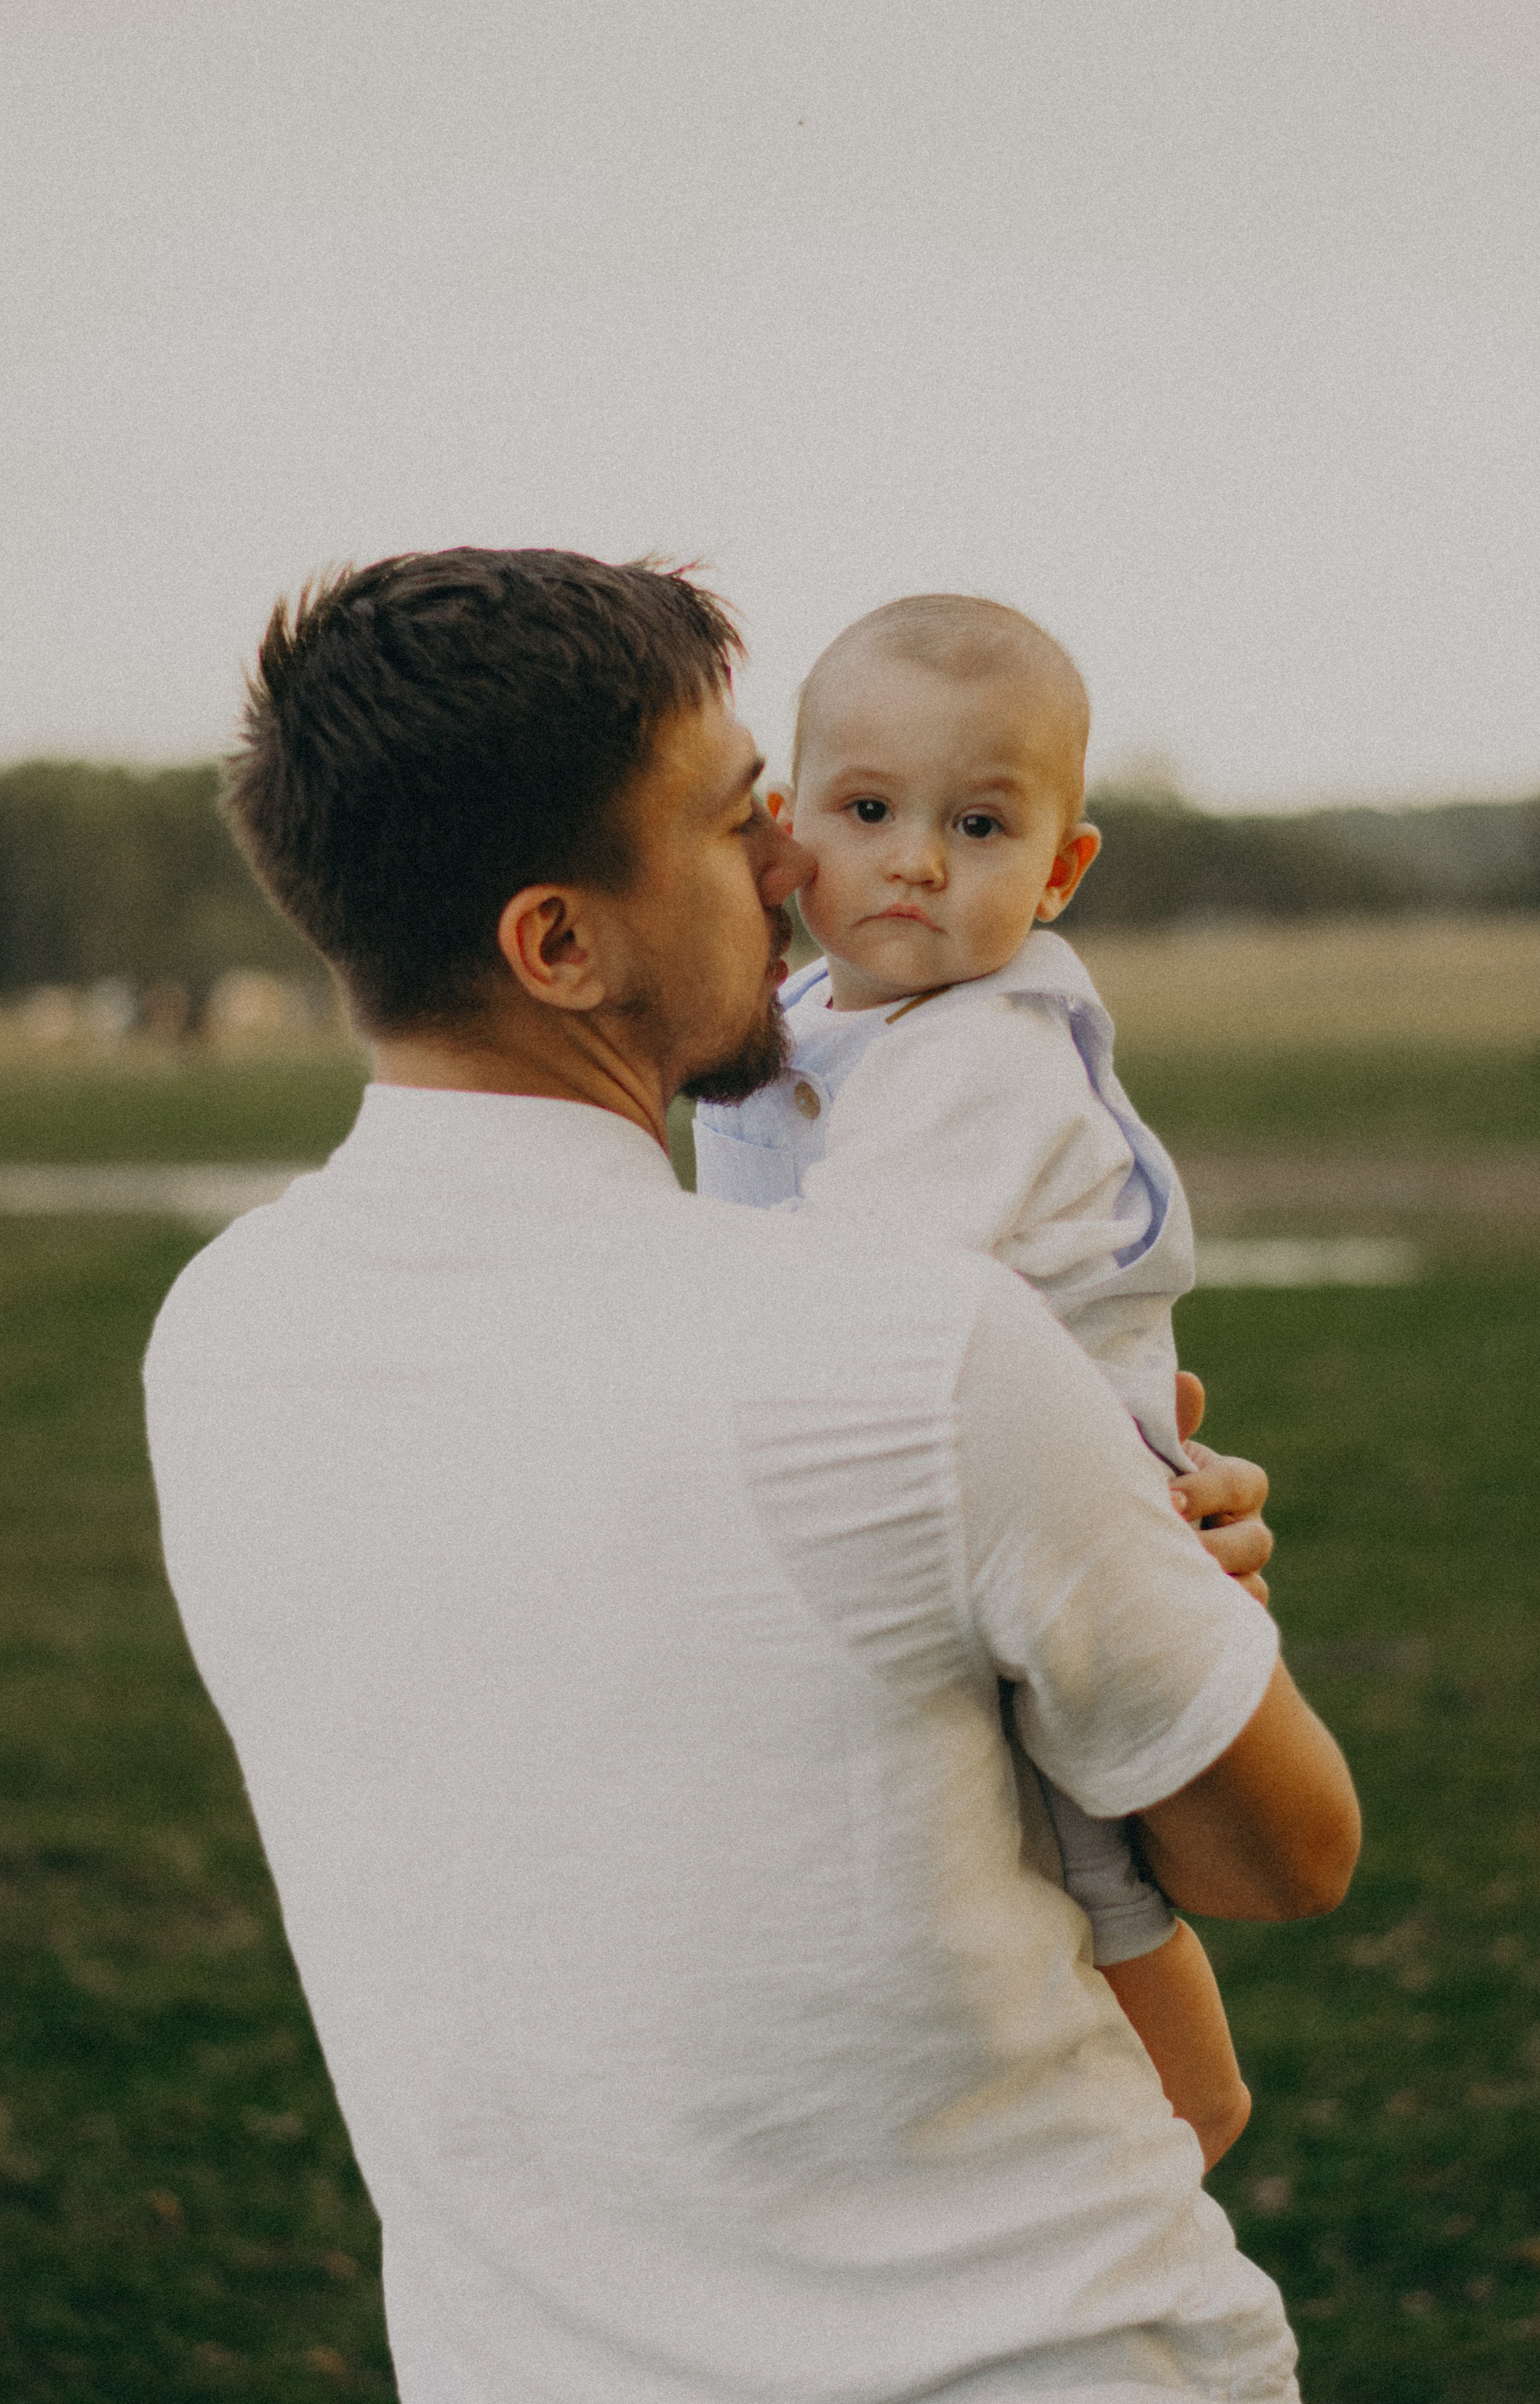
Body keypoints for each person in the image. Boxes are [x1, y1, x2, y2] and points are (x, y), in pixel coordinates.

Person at [143, 547, 1360, 2404]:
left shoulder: (216, 1337)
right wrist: (1139, 1562)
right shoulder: (908, 1344)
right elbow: (1288, 1853)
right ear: (559, 945)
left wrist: (1075, 1537)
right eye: (738, 830)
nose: (798, 870)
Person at [695, 594, 1249, 2168]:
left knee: (1081, 1830)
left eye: (980, 826)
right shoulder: (811, 1010)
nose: (916, 862)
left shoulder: (979, 1061)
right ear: (786, 827)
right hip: (948, 1449)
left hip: (1074, 1458)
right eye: (867, 813)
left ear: (1060, 870)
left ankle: (1194, 2097)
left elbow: (857, 1301)